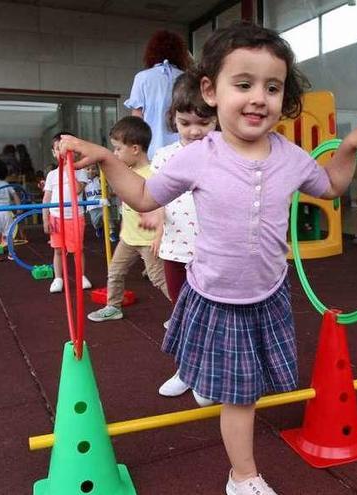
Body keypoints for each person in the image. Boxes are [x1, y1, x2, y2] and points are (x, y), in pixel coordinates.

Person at [59, 21, 357, 495]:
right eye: (243, 84)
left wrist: (346, 147)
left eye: (272, 87)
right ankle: (243, 477)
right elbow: (141, 195)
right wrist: (106, 157)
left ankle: (210, 388)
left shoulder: (290, 156)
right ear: (211, 90)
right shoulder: (199, 155)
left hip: (267, 293)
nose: (259, 97)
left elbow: (331, 186)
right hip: (216, 294)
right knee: (239, 397)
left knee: (250, 387)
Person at [150, 72, 218, 407]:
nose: (193, 131)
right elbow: (154, 196)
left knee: (213, 316)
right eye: (184, 122)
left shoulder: (225, 153)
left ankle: (208, 374)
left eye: (203, 123)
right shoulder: (163, 156)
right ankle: (187, 370)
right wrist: (154, 216)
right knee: (181, 313)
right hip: (176, 248)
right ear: (172, 120)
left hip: (213, 253)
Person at [87, 116, 170, 323]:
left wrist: (159, 236)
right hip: (129, 238)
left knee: (159, 278)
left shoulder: (151, 174)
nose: (115, 153)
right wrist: (124, 227)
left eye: (117, 149)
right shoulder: (129, 173)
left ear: (135, 149)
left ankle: (185, 314)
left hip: (148, 240)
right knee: (114, 272)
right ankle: (113, 306)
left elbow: (163, 208)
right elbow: (127, 208)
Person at [125, 30, 191, 159]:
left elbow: (137, 121)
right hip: (183, 147)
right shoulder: (187, 78)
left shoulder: (142, 77)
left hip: (151, 149)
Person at [42, 132, 92, 294]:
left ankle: (81, 275)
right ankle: (58, 278)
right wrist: (45, 219)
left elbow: (77, 190)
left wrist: (69, 169)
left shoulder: (80, 172)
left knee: (77, 249)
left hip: (75, 217)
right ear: (54, 152)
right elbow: (46, 199)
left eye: (66, 149)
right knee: (58, 249)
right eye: (58, 149)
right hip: (56, 217)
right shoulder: (51, 175)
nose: (62, 152)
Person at [83, 165, 117, 241]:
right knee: (95, 222)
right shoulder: (84, 182)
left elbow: (107, 189)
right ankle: (99, 227)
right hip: (92, 206)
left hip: (103, 204)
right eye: (88, 169)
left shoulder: (100, 179)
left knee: (108, 219)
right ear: (84, 171)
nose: (91, 171)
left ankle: (111, 232)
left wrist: (109, 197)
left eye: (93, 169)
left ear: (97, 170)